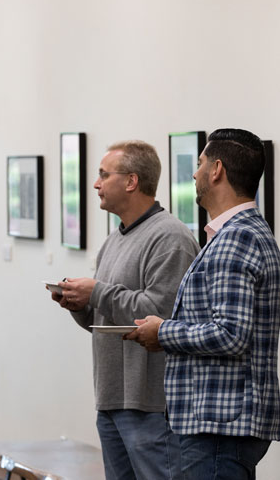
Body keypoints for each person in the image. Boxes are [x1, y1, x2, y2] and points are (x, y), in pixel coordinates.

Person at [127, 128, 280, 479]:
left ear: (217, 170)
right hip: (220, 426)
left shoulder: (238, 237)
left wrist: (163, 332)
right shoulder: (239, 233)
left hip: (220, 427)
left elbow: (230, 334)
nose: (194, 174)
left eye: (199, 164)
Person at [49, 141, 200, 480]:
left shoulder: (170, 238)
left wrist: (98, 291)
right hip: (112, 399)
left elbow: (159, 317)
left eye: (104, 175)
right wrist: (79, 304)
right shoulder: (113, 240)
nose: (96, 184)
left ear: (131, 181)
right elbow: (108, 320)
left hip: (151, 405)